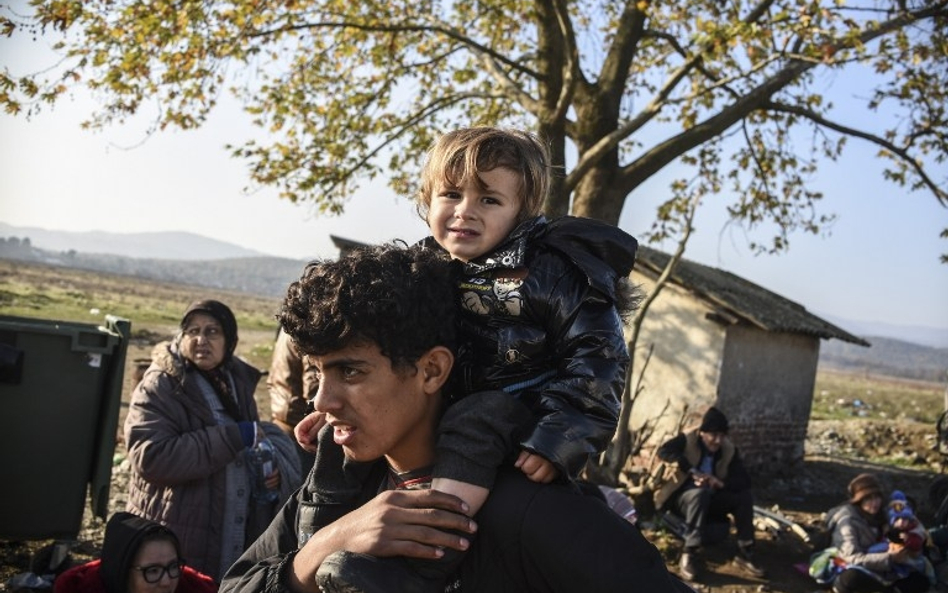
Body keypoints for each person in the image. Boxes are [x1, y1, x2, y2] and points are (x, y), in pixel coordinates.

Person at [220, 243, 691, 593]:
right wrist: (323, 547)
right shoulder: (333, 488)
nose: (322, 400)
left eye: (350, 371)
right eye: (319, 371)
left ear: (432, 369)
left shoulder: (526, 512)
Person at [316, 126, 641, 592]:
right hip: (458, 400)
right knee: (350, 442)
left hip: (525, 406)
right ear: (426, 200)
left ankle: (424, 566)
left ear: (520, 212)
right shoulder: (429, 268)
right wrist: (339, 408)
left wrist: (558, 437)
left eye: (489, 200)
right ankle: (320, 539)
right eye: (451, 194)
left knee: (476, 419)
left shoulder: (552, 271)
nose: (465, 211)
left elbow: (599, 358)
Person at [124, 299, 302, 581]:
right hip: (180, 527)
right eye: (192, 331)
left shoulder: (233, 381)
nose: (200, 340)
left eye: (212, 332)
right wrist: (232, 437)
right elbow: (151, 457)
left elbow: (249, 444)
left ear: (229, 341)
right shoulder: (162, 384)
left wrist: (268, 472)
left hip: (226, 533)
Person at [654, 406, 766, 581]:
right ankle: (689, 552)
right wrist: (691, 471)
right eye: (713, 435)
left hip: (712, 498)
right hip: (683, 499)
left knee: (744, 497)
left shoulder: (728, 450)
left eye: (721, 436)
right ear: (702, 433)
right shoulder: (688, 439)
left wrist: (720, 482)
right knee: (699, 495)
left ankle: (745, 551)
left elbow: (744, 480)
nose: (717, 440)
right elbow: (664, 451)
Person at [812, 473, 933, 593]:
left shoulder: (882, 515)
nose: (874, 502)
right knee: (851, 578)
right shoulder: (847, 521)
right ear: (859, 500)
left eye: (877, 497)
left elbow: (912, 525)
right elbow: (852, 557)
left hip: (880, 566)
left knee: (920, 581)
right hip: (852, 566)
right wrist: (890, 558)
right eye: (868, 498)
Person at [53, 511, 217, 593]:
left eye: (173, 566)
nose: (166, 582)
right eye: (153, 571)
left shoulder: (195, 588)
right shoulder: (80, 587)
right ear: (122, 572)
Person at [267, 327, 319, 475]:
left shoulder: (290, 324)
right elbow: (314, 385)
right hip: (300, 429)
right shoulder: (310, 324)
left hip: (282, 420)